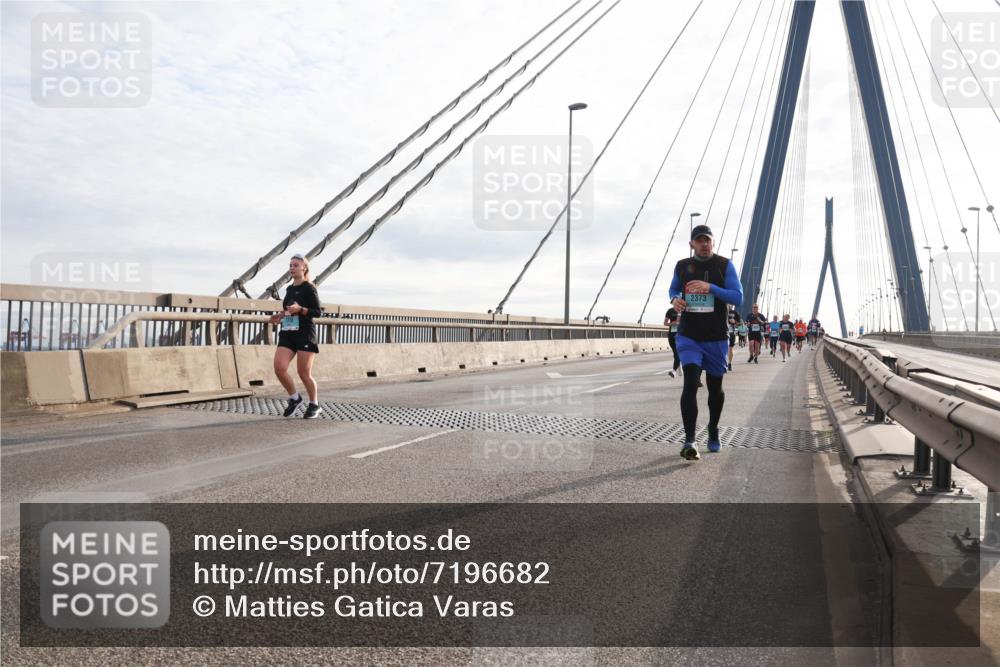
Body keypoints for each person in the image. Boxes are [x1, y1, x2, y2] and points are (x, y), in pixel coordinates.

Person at [668, 224, 744, 461]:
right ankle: (690, 440)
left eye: (707, 240)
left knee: (715, 388)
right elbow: (673, 289)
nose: (704, 244)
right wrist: (676, 299)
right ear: (692, 244)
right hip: (688, 335)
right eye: (699, 241)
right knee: (690, 383)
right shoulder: (683, 266)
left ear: (713, 242)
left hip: (716, 338)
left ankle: (713, 429)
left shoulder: (724, 265)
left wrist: (709, 287)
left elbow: (737, 297)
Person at [270, 253, 324, 419]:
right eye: (290, 265)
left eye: (295, 265)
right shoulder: (289, 289)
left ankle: (314, 404)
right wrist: (281, 315)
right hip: (288, 332)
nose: (292, 268)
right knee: (279, 368)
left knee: (304, 373)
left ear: (304, 268)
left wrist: (301, 309)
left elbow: (317, 312)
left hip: (304, 334)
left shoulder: (309, 288)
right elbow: (290, 309)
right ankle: (295, 398)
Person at [663, 307, 681, 378]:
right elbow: (665, 323)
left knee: (677, 354)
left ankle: (673, 371)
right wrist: (672, 324)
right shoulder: (670, 311)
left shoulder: (685, 309)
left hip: (681, 335)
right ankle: (678, 366)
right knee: (675, 353)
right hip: (672, 334)